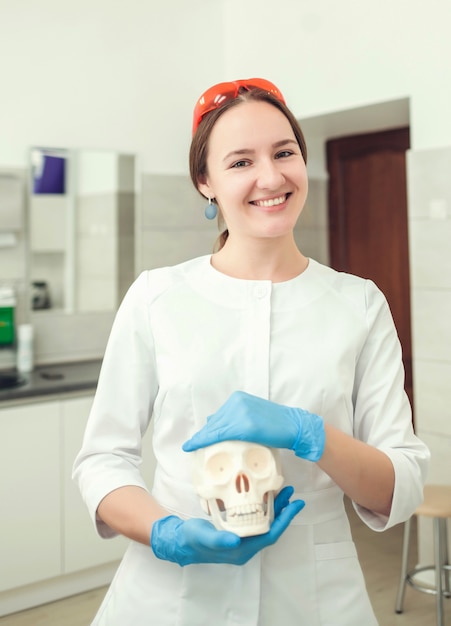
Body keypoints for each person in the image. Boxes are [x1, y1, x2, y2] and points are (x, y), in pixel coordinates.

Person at [73, 78, 430, 626]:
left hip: (316, 600)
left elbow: (400, 485)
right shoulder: (157, 298)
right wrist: (165, 532)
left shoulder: (359, 304)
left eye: (284, 152)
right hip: (168, 600)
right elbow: (102, 460)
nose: (271, 177)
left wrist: (309, 433)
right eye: (240, 162)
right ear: (204, 182)